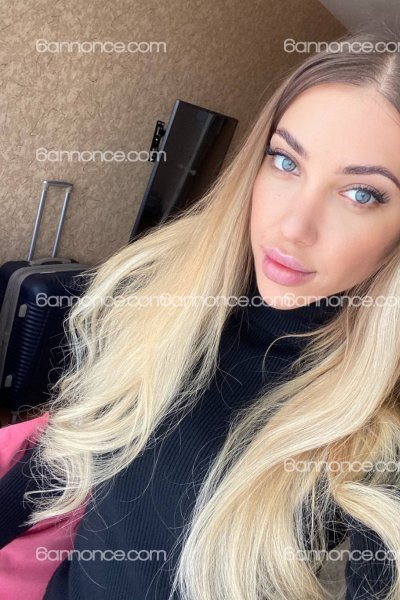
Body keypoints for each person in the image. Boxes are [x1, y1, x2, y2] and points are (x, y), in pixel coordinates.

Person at [1, 25, 400, 600]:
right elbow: (70, 447)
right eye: (286, 162)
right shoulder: (159, 288)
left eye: (361, 194)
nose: (293, 227)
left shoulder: (377, 420)